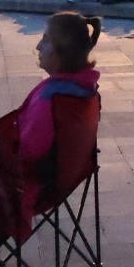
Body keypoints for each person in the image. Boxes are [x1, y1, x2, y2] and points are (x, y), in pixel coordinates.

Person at [14, 13, 102, 220]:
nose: (38, 47)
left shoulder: (53, 98)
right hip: (62, 178)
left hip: (31, 187)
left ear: (63, 50)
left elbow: (25, 153)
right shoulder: (83, 88)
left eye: (46, 40)